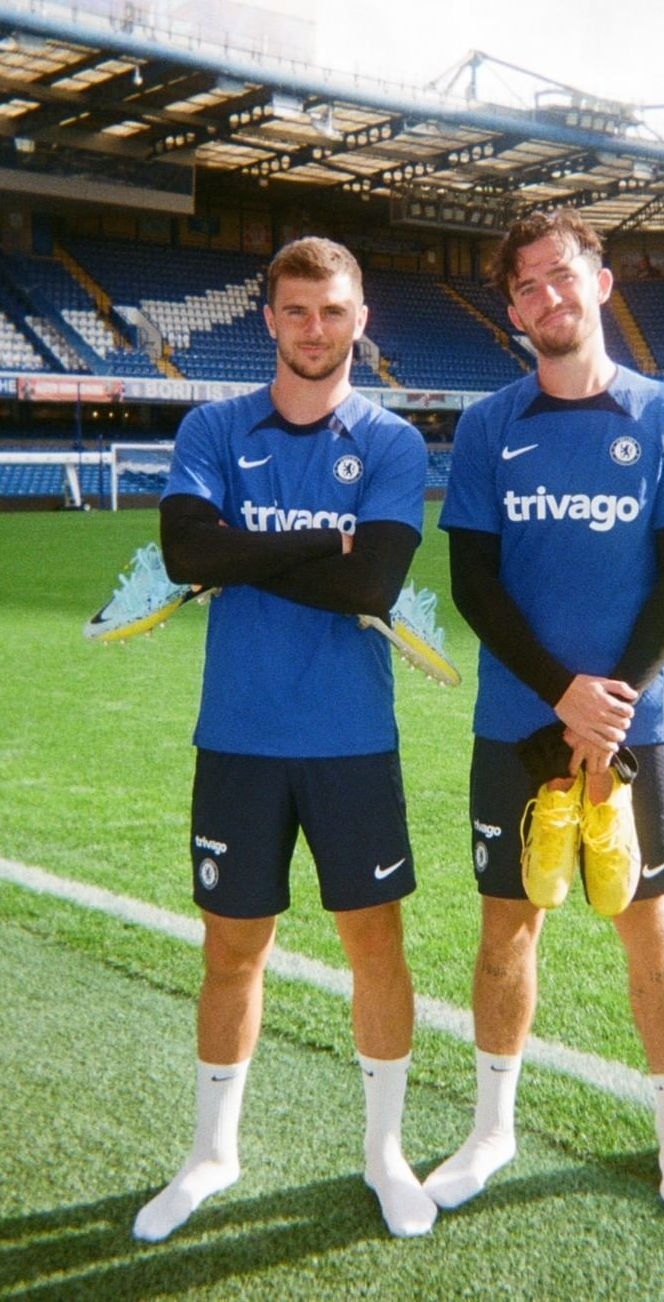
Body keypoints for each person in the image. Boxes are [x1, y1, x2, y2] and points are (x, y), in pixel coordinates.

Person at [133, 236, 436, 1242]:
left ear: (361, 321)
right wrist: (322, 540)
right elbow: (186, 551)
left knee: (375, 946)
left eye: (333, 310)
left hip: (352, 741)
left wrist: (245, 553)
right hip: (239, 738)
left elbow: (372, 583)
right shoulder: (214, 426)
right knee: (232, 948)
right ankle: (212, 1150)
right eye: (297, 310)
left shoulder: (390, 442)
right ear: (268, 318)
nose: (315, 328)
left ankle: (384, 1152)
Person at [427, 209, 664, 1218]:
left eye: (562, 274)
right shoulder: (488, 426)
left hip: (636, 727)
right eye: (526, 286)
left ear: (601, 280)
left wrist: (610, 706)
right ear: (513, 312)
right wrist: (563, 695)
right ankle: (491, 1129)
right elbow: (474, 581)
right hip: (520, 719)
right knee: (507, 932)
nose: (547, 295)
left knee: (653, 934)